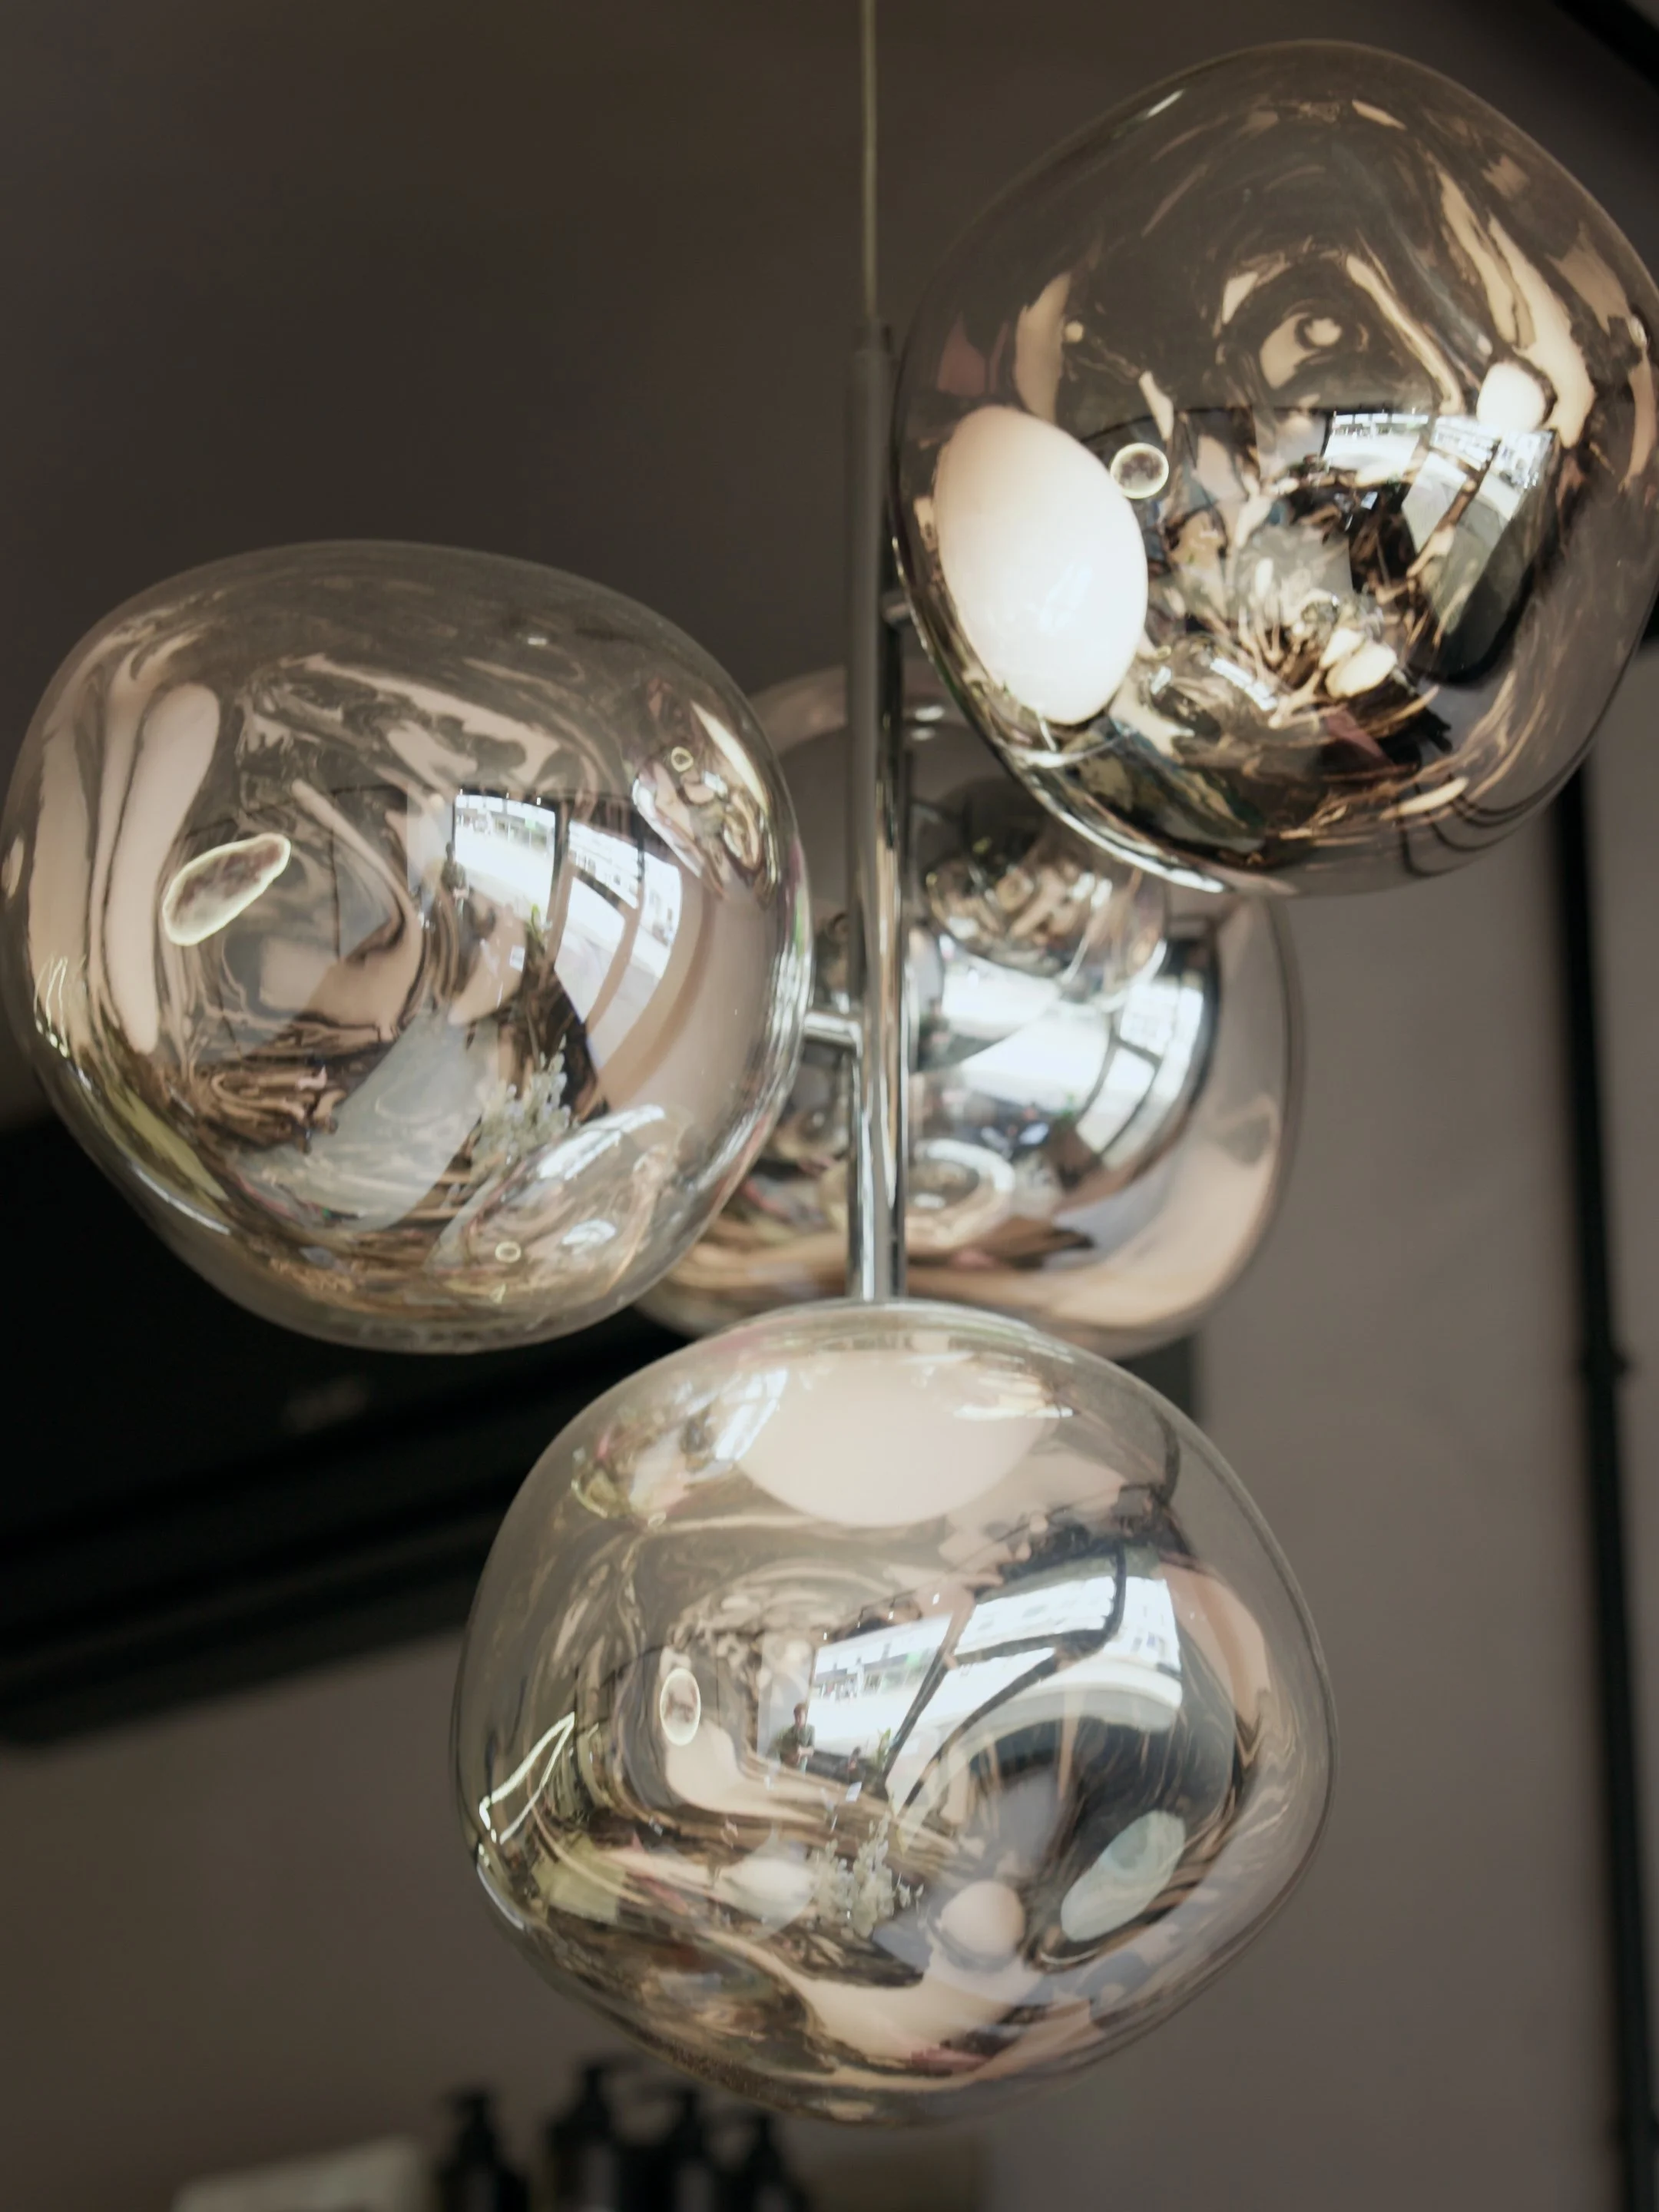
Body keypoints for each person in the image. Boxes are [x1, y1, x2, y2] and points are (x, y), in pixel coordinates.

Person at [768, 1702, 815, 1769]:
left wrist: (802, 1751)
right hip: (787, 1765)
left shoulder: (810, 1730)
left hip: (800, 1767)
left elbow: (811, 1750)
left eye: (800, 1717)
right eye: (796, 1717)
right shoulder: (788, 1731)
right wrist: (788, 1756)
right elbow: (780, 1748)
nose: (798, 1720)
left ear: (806, 1716)